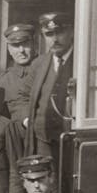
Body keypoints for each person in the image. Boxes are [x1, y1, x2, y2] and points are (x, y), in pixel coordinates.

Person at [24, 11, 74, 156]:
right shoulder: (38, 64)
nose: (55, 39)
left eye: (59, 32)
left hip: (70, 141)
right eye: (49, 34)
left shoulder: (82, 62)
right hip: (42, 142)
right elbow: (23, 95)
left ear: (71, 32)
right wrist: (27, 120)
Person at [0, 21, 39, 121]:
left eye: (25, 44)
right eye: (16, 45)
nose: (21, 50)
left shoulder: (48, 70)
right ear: (9, 49)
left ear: (34, 44)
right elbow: (2, 122)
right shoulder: (4, 82)